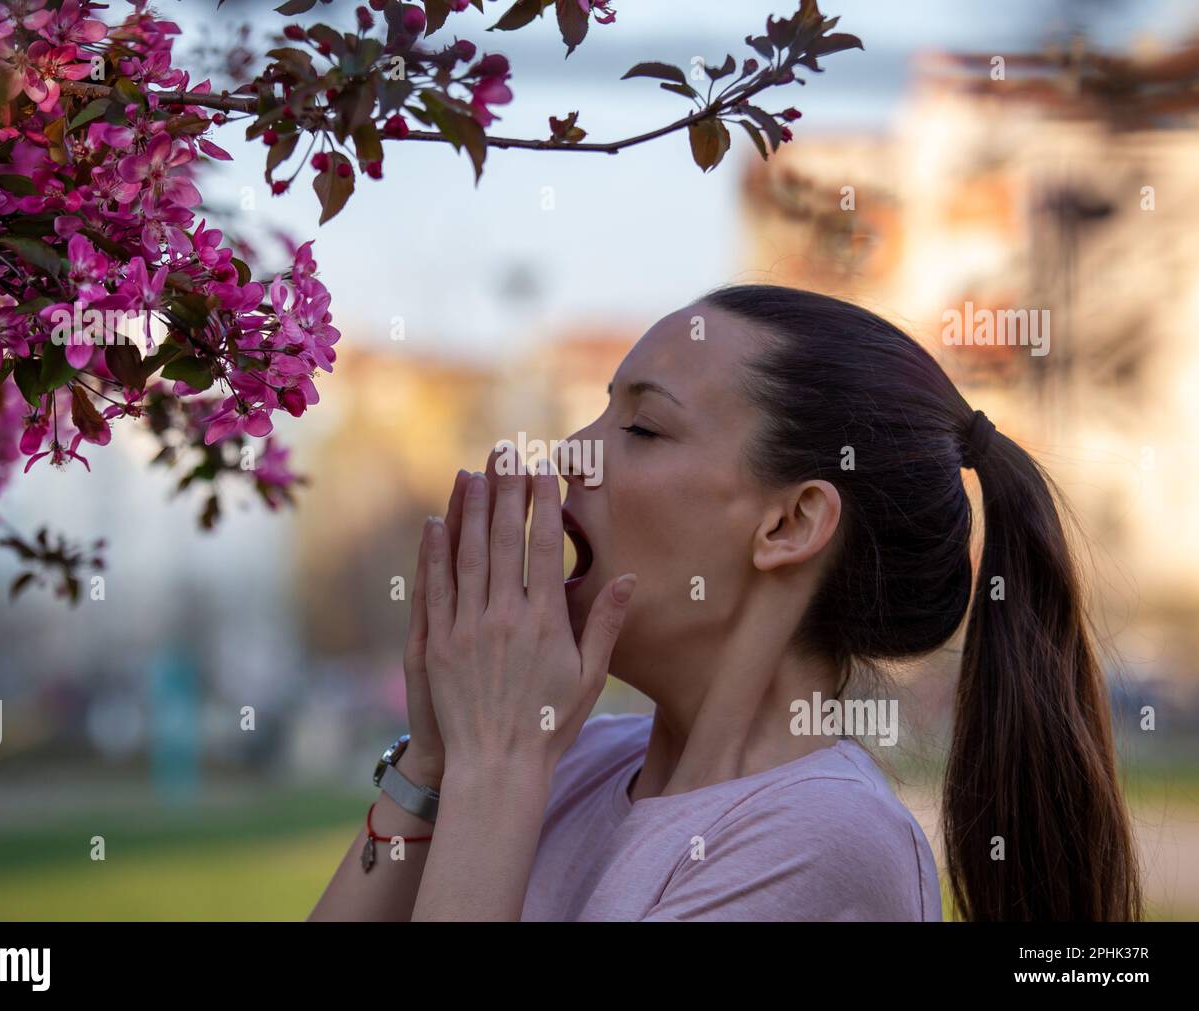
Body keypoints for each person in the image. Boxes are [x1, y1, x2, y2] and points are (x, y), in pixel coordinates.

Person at [308, 285, 1141, 922]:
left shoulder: (821, 842)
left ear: (789, 522)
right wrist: (435, 764)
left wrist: (494, 766)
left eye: (642, 429)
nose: (569, 454)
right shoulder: (576, 759)